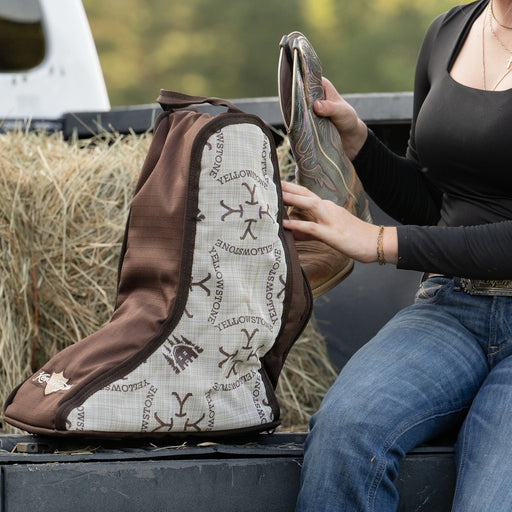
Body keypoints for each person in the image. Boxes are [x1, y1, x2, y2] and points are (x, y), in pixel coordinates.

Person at [281, 0, 512, 510]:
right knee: (345, 432)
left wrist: (379, 243)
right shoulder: (448, 32)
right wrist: (357, 139)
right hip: (452, 307)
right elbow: (430, 202)